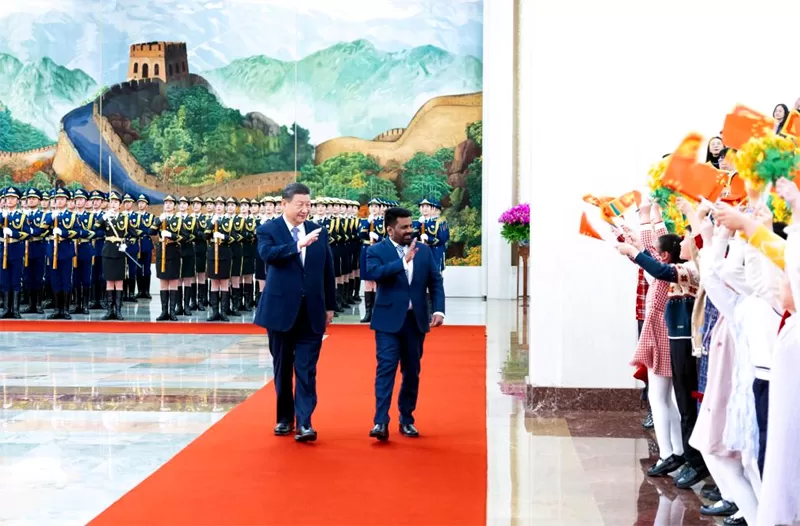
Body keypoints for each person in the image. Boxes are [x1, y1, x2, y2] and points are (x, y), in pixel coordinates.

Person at [253, 183, 336, 443]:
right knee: (282, 367)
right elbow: (268, 255)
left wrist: (329, 305)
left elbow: (327, 270)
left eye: (308, 204)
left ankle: (305, 423)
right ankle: (284, 418)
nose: (305, 209)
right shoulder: (269, 230)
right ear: (284, 204)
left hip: (311, 310)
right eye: (300, 204)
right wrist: (297, 245)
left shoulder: (318, 232)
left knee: (306, 368)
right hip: (279, 311)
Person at [366, 206, 445, 441]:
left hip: (416, 322)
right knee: (386, 369)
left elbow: (435, 281)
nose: (410, 230)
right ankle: (380, 422)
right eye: (404, 227)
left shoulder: (424, 250)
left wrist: (439, 309)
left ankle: (407, 419)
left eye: (411, 225)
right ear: (390, 229)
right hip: (388, 322)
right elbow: (374, 273)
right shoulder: (376, 251)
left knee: (412, 372)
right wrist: (402, 262)